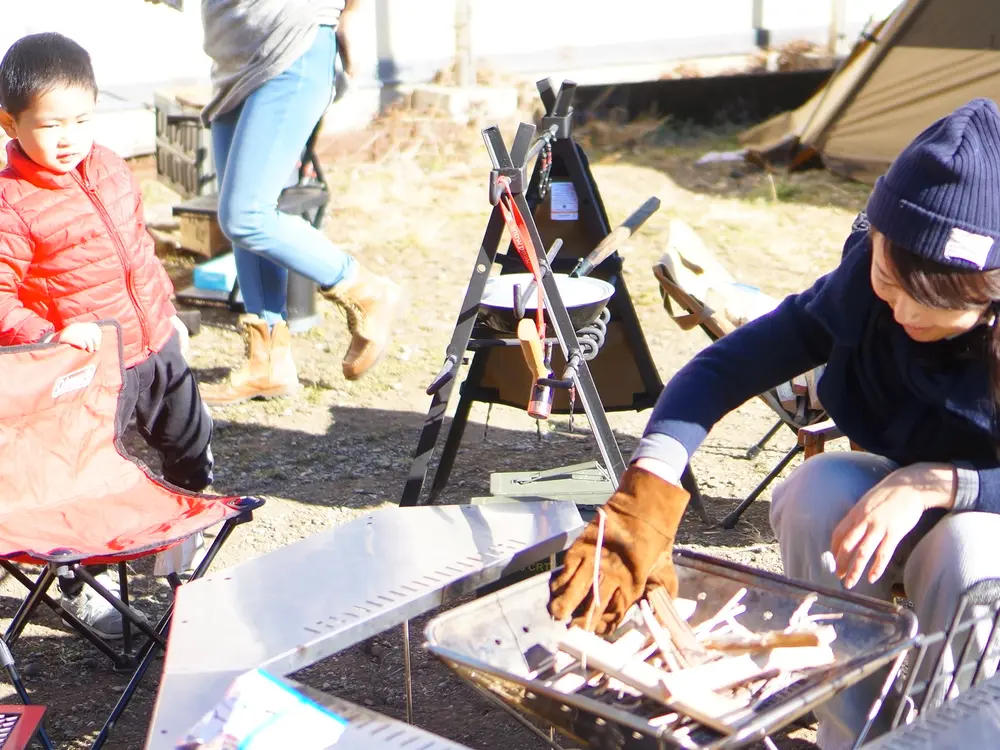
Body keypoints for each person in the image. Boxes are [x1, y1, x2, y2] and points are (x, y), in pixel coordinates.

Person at [548, 98, 1000, 748]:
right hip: (908, 479)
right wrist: (646, 487)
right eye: (888, 278)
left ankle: (951, 734)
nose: (899, 309)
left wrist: (941, 484)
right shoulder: (864, 285)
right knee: (814, 494)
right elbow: (721, 370)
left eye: (930, 300)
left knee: (968, 555)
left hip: (988, 513)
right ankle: (854, 730)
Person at [0, 32, 214, 639]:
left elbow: (137, 253)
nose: (69, 137)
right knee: (87, 475)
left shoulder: (113, 168)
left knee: (191, 446)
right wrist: (49, 335)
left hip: (155, 345)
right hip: (90, 368)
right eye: (50, 125)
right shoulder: (11, 203)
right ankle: (77, 585)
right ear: (10, 123)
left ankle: (183, 557)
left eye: (82, 119)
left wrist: (165, 311)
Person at [196, 0, 402, 405]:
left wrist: (354, 16)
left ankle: (367, 290)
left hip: (292, 42)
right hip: (233, 58)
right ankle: (268, 364)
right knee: (244, 214)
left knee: (245, 215)